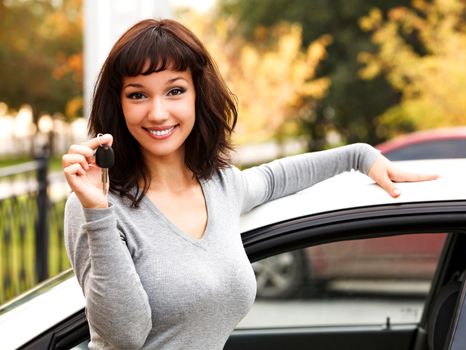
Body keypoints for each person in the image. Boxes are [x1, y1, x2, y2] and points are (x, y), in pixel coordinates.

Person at [62, 18, 437, 350]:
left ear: (197, 95)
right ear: (119, 105)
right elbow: (123, 339)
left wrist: (359, 156)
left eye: (174, 90)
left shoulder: (221, 186)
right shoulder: (94, 206)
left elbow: (277, 177)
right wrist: (98, 212)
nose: (157, 112)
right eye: (138, 94)